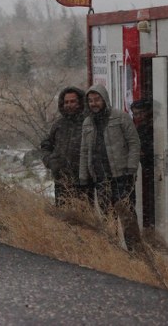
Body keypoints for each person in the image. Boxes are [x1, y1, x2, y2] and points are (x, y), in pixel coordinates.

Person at [79, 84, 142, 250]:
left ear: (104, 99)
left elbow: (134, 143)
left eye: (97, 99)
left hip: (121, 176)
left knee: (127, 216)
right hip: (100, 178)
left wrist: (131, 169)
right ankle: (114, 253)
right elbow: (84, 151)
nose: (94, 103)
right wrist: (84, 177)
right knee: (108, 218)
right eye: (90, 101)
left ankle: (136, 253)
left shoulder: (120, 117)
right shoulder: (87, 123)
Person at [39, 86, 89, 206]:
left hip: (85, 182)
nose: (69, 105)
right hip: (62, 181)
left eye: (73, 101)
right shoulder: (59, 124)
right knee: (63, 219)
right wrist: (51, 162)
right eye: (66, 102)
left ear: (80, 102)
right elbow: (46, 145)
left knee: (85, 219)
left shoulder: (88, 123)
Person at [130, 98, 154, 228]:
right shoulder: (138, 128)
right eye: (135, 114)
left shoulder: (152, 128)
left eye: (140, 113)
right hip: (145, 168)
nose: (138, 117)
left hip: (151, 166)